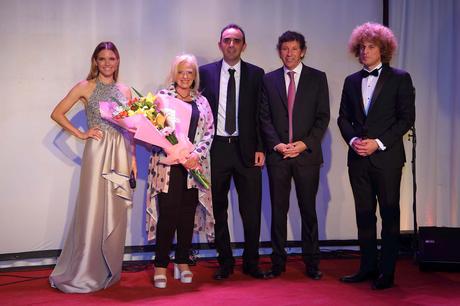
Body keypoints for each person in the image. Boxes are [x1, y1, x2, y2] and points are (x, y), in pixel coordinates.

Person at [49, 41, 136, 293]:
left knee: (115, 207)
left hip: (120, 151)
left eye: (112, 58)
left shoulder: (125, 90)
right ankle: (86, 269)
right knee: (93, 207)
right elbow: (57, 113)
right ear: (95, 61)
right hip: (97, 152)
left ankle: (109, 266)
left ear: (118, 61)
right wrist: (80, 133)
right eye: (102, 59)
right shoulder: (85, 87)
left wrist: (131, 158)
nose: (107, 63)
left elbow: (130, 128)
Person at [337, 22, 415, 290]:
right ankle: (367, 267)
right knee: (364, 215)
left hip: (387, 158)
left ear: (384, 49)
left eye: (371, 47)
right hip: (358, 159)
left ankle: (387, 272)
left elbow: (406, 119)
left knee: (390, 215)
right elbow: (343, 118)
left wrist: (378, 143)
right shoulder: (351, 81)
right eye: (361, 47)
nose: (365, 51)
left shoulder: (400, 78)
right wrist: (354, 140)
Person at [260, 31, 330, 280]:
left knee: (308, 211)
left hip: (306, 155)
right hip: (278, 156)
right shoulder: (268, 80)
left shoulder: (317, 78)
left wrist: (304, 144)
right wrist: (277, 145)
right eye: (284, 49)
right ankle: (277, 263)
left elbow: (323, 118)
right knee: (278, 211)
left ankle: (312, 264)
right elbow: (264, 118)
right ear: (279, 51)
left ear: (303, 51)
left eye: (294, 49)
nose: (289, 53)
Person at [199, 24, 267, 280]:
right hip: (216, 150)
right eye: (227, 40)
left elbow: (262, 114)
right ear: (220, 44)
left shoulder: (257, 74)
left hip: (247, 150)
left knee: (251, 210)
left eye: (236, 40)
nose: (231, 44)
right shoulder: (205, 73)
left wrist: (261, 147)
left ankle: (251, 262)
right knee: (218, 210)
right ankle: (225, 262)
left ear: (243, 45)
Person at [146, 54, 215, 289]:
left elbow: (209, 132)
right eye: (181, 72)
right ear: (174, 74)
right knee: (168, 216)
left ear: (195, 76)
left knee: (187, 215)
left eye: (190, 73)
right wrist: (173, 151)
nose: (185, 77)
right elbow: (153, 132)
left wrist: (195, 155)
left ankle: (182, 261)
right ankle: (160, 265)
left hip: (193, 166)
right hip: (169, 167)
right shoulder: (162, 99)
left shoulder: (202, 101)